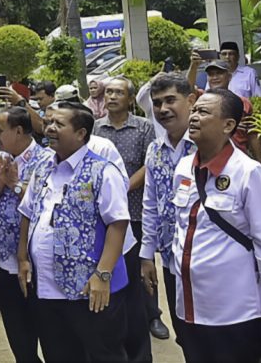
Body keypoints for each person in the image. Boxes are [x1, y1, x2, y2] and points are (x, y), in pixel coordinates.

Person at [172, 89, 261, 362]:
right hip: (190, 309)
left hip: (235, 314)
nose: (193, 117)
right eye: (194, 110)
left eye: (203, 112)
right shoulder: (183, 167)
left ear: (229, 125)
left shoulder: (249, 173)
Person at [17, 101, 130, 363]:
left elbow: (118, 223)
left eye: (59, 124)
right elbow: (27, 212)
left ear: (81, 134)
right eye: (49, 123)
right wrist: (23, 257)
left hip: (90, 291)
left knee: (104, 354)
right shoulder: (43, 167)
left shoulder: (102, 171)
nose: (50, 129)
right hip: (46, 288)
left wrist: (103, 275)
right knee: (59, 354)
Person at [94, 76, 163, 352]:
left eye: (118, 93)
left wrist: (121, 188)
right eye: (108, 92)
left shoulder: (144, 127)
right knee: (115, 266)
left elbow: (150, 165)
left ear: (130, 99)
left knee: (141, 266)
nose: (111, 97)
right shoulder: (96, 128)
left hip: (135, 209)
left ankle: (152, 315)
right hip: (108, 213)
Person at [140, 72, 198, 348]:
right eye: (157, 102)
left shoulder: (207, 145)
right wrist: (146, 255)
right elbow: (150, 204)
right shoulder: (155, 149)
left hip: (210, 260)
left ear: (191, 100)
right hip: (172, 260)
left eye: (170, 100)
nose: (163, 109)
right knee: (185, 334)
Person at [0, 107, 51, 363]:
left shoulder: (46, 159)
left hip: (36, 267)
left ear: (18, 130)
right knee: (18, 336)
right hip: (5, 263)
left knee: (48, 334)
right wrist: (0, 183)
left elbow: (44, 203)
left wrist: (14, 185)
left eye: (0, 131)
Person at [201, 59, 261, 162]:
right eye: (211, 74)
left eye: (219, 73)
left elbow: (253, 134)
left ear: (229, 77)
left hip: (238, 160)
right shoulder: (200, 101)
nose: (215, 77)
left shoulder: (243, 103)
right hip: (209, 160)